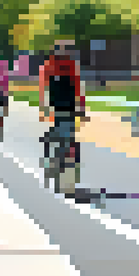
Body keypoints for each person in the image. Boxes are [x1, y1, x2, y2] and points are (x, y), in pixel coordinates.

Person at [39, 41, 87, 190]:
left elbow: (78, 87)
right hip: (60, 107)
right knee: (63, 135)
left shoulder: (69, 66)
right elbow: (44, 86)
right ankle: (55, 162)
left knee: (67, 137)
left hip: (67, 107)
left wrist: (82, 107)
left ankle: (61, 164)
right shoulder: (51, 65)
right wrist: (43, 107)